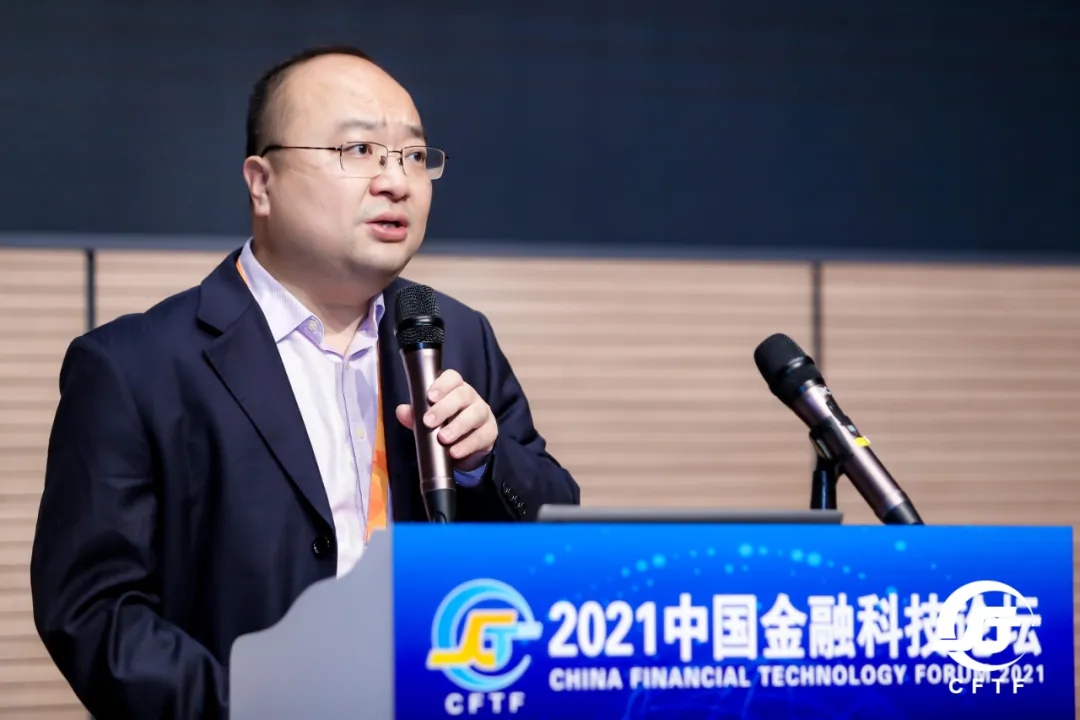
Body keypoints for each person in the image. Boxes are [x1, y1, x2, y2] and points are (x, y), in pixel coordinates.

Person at [30, 45, 580, 719]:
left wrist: (484, 465)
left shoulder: (455, 336)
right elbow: (95, 613)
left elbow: (563, 537)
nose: (396, 181)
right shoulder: (135, 367)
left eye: (413, 156)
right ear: (261, 183)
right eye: (360, 151)